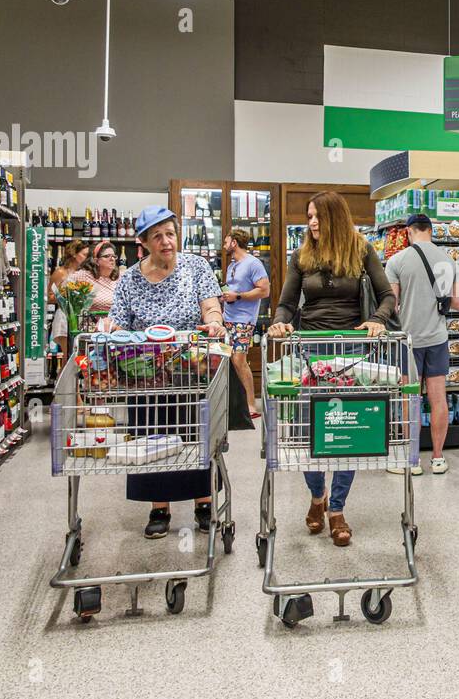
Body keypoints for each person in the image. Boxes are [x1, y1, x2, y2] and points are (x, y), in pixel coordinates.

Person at [267, 191, 394, 547]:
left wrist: (377, 320)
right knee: (310, 429)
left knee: (347, 428)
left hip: (350, 349)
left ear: (335, 218)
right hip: (310, 349)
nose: (312, 223)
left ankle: (336, 509)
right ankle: (317, 495)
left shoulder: (361, 249)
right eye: (309, 216)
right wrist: (280, 323)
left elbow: (386, 295)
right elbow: (287, 303)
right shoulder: (302, 254)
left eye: (318, 217)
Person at [106, 207, 225, 539]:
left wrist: (214, 320)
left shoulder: (196, 267)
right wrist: (111, 331)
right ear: (143, 242)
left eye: (170, 233)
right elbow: (119, 320)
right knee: (151, 435)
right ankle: (159, 507)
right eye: (157, 236)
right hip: (144, 372)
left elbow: (211, 304)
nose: (166, 241)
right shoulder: (130, 277)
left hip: (190, 368)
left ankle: (203, 502)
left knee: (194, 433)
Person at [384, 214, 459, 475]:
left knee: (411, 398)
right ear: (431, 231)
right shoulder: (449, 260)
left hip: (409, 339)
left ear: (408, 232)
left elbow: (392, 304)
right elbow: (458, 303)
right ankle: (438, 458)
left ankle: (413, 459)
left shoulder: (397, 261)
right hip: (438, 338)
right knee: (438, 398)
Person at [221, 228, 270, 420]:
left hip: (244, 320)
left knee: (240, 361)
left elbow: (264, 291)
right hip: (228, 318)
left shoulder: (253, 263)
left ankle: (251, 405)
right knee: (231, 362)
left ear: (234, 242)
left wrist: (238, 296)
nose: (224, 245)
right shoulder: (232, 264)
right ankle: (237, 403)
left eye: (226, 241)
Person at [48, 240, 89, 366]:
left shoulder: (85, 273)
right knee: (69, 357)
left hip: (80, 317)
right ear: (74, 254)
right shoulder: (60, 273)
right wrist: (67, 297)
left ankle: (80, 382)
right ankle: (65, 384)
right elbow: (49, 296)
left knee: (82, 356)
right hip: (64, 317)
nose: (87, 258)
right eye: (84, 254)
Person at [65, 239, 120, 322]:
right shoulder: (84, 276)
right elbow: (64, 289)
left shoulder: (120, 277)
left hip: (116, 327)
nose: (112, 259)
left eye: (113, 256)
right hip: (90, 327)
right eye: (107, 256)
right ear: (96, 261)